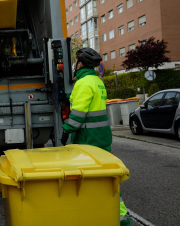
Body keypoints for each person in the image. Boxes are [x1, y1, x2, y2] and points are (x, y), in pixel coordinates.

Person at [61, 47, 131, 226]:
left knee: (89, 180)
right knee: (107, 178)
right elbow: (92, 103)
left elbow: (78, 115)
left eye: (76, 61)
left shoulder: (83, 83)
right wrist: (71, 96)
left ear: (81, 63)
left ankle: (94, 216)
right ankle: (119, 217)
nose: (75, 64)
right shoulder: (96, 81)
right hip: (102, 136)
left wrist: (66, 130)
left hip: (87, 138)